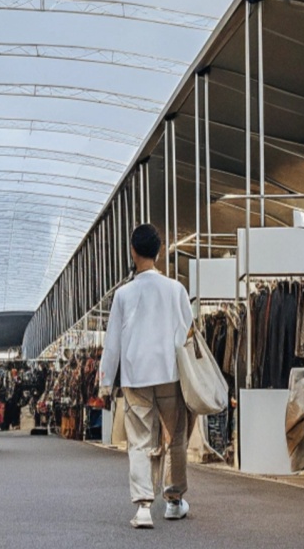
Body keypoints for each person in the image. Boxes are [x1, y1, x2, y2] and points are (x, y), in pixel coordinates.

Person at [100, 223, 195, 529]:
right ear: (159, 251)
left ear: (132, 250)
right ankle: (174, 500)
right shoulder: (176, 289)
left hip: (135, 375)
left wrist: (104, 382)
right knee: (174, 436)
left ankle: (143, 507)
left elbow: (112, 341)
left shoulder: (124, 294)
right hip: (169, 372)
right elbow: (188, 335)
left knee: (139, 440)